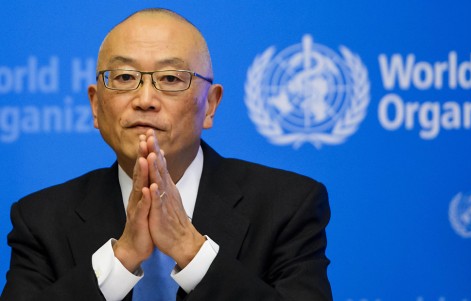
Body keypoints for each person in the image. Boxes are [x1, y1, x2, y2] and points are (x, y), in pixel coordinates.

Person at [0, 8, 332, 301]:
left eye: (170, 78)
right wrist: (121, 258)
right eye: (126, 77)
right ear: (96, 105)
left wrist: (191, 251)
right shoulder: (40, 220)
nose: (145, 99)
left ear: (210, 105)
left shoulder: (286, 206)